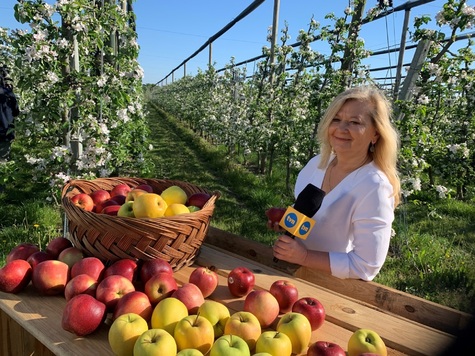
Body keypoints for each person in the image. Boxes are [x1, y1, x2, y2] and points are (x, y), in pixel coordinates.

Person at [271, 85, 401, 281]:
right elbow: (310, 214)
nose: (341, 129)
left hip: (329, 286)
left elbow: (366, 266)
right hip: (289, 273)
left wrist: (304, 256)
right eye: (336, 119)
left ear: (376, 134)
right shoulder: (317, 164)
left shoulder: (374, 187)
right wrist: (288, 224)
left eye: (354, 122)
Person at [0, 66, 20, 162]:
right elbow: (16, 112)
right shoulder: (8, 93)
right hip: (5, 131)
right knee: (3, 160)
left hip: (5, 131)